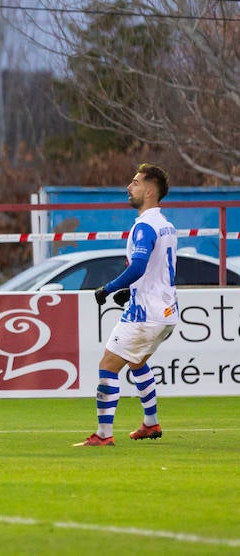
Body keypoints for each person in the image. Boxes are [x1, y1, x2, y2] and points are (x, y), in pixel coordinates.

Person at [76, 163, 177, 447]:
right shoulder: (166, 225)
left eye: (134, 182)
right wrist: (131, 292)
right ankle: (150, 423)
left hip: (146, 314)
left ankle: (103, 435)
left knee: (108, 365)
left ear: (148, 190)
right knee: (137, 361)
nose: (128, 187)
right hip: (167, 312)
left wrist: (109, 289)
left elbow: (141, 266)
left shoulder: (145, 227)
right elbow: (156, 270)